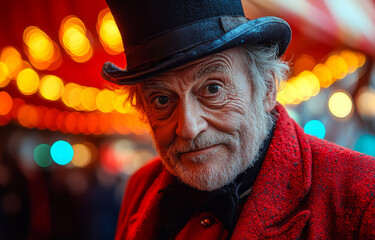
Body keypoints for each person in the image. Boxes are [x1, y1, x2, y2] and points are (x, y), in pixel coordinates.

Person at [101, 0, 375, 239]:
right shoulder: (140, 187)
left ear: (267, 88)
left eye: (213, 88)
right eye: (162, 99)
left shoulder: (362, 193)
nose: (188, 128)